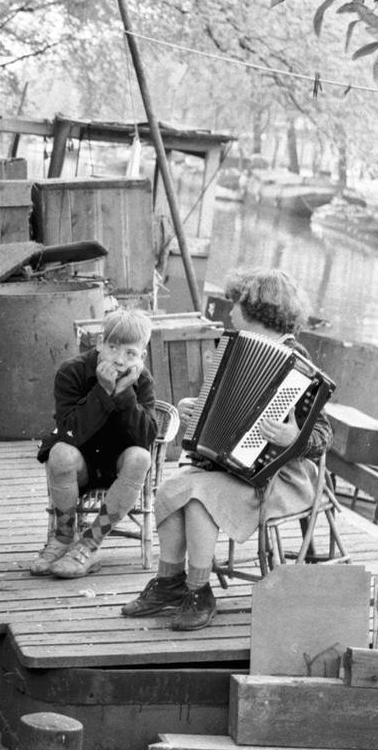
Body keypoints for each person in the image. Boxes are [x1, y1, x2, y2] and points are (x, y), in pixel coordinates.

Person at [121, 268, 332, 631]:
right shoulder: (235, 346)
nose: (230, 312)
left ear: (256, 312)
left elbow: (324, 435)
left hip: (281, 476)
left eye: (236, 304)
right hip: (231, 469)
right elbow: (224, 407)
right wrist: (196, 409)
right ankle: (170, 583)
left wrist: (291, 438)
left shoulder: (298, 361)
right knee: (172, 489)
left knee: (201, 498)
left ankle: (199, 591)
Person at [30, 308, 158, 579]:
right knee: (61, 452)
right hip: (81, 464)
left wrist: (124, 395)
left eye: (131, 354)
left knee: (141, 457)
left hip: (118, 469)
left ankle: (89, 543)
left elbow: (146, 438)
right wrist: (102, 391)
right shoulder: (71, 372)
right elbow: (69, 433)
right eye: (113, 348)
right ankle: (64, 536)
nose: (120, 360)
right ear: (100, 343)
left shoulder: (142, 380)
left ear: (142, 357)